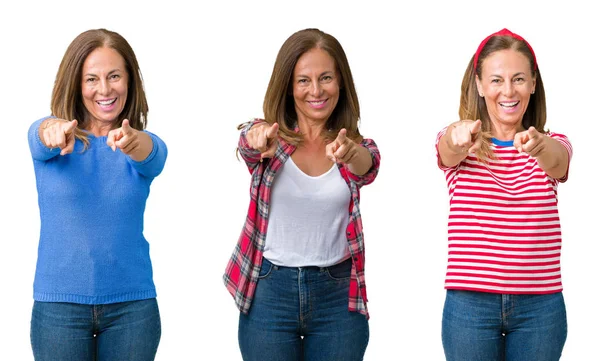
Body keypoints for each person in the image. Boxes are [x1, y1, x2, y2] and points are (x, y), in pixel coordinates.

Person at [223, 28, 380, 361]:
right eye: (303, 81)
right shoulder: (271, 139)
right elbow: (249, 144)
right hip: (270, 290)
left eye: (325, 78)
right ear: (289, 86)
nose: (316, 90)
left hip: (337, 294)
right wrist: (255, 138)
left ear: (340, 83)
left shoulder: (355, 146)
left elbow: (368, 165)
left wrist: (350, 153)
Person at [28, 29, 167, 361]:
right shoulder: (51, 137)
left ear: (129, 81)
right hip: (59, 309)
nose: (104, 89)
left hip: (132, 310)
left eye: (114, 76)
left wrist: (133, 141)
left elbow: (152, 154)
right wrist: (52, 132)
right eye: (92, 79)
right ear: (76, 84)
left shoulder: (142, 144)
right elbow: (40, 136)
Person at [436, 28, 572, 361]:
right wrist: (457, 138)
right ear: (480, 84)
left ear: (533, 84)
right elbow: (447, 149)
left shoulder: (553, 144)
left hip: (540, 307)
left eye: (519, 79)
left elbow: (558, 162)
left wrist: (538, 145)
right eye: (496, 80)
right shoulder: (460, 143)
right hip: (469, 305)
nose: (508, 91)